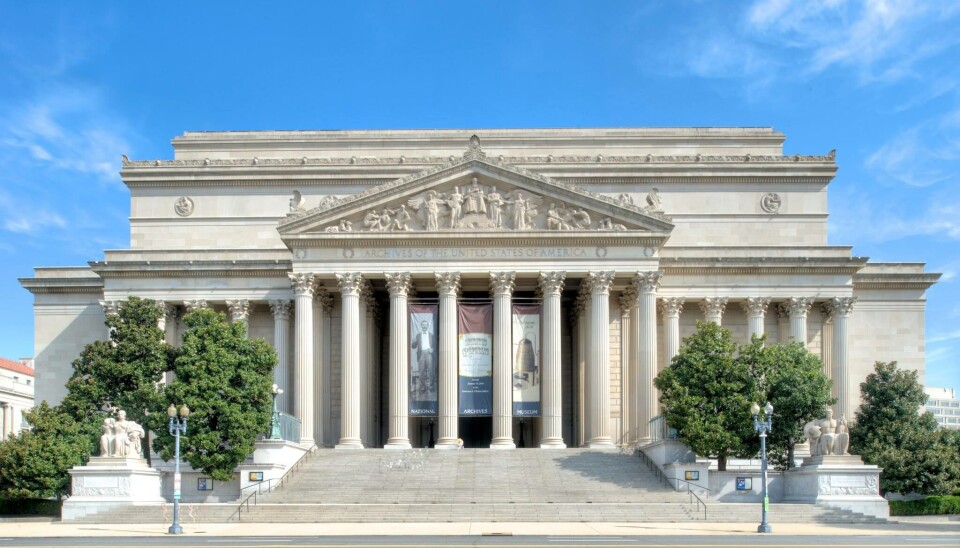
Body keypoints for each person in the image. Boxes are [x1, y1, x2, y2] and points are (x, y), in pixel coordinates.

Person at [411, 320, 435, 397]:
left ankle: (431, 386)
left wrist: (433, 349)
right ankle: (423, 387)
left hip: (429, 353)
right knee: (421, 371)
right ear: (421, 326)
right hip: (421, 353)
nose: (424, 326)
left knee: (431, 370)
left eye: (425, 325)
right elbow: (413, 346)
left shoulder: (431, 335)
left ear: (427, 326)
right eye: (423, 325)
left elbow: (436, 344)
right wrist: (413, 342)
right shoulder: (418, 335)